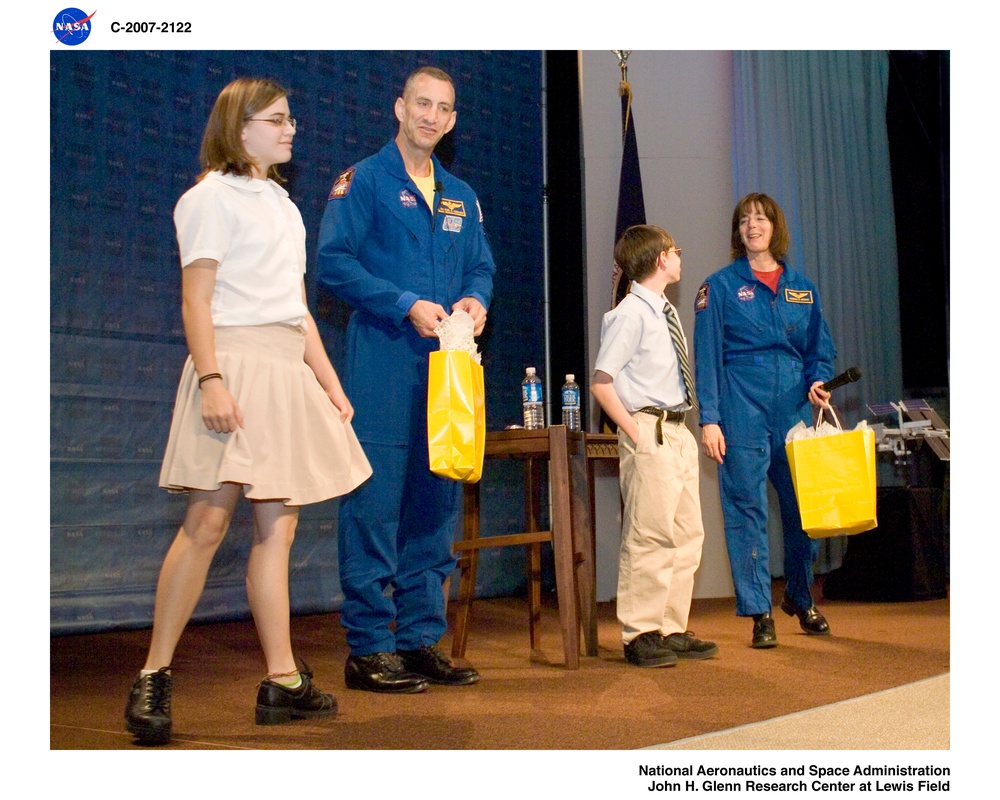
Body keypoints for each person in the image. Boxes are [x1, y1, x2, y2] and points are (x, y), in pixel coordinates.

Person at [124, 78, 372, 745]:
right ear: (240, 129)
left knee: (277, 534)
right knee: (206, 523)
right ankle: (153, 675)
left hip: (284, 368)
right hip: (232, 365)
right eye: (277, 120)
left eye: (291, 119)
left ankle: (283, 681)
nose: (291, 130)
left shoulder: (284, 205)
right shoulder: (207, 199)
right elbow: (195, 301)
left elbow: (296, 309)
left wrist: (328, 382)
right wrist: (211, 380)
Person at [316, 66, 495, 693]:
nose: (430, 116)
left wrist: (476, 300)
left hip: (448, 373)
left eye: (443, 108)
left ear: (452, 121)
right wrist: (403, 303)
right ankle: (369, 646)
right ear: (400, 107)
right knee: (373, 507)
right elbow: (332, 263)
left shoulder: (461, 195)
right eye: (422, 103)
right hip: (384, 368)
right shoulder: (363, 180)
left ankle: (419, 640)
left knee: (435, 505)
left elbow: (482, 266)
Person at [694, 192, 836, 649]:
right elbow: (707, 359)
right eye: (744, 220)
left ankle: (800, 595)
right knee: (747, 510)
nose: (751, 225)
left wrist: (818, 379)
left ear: (775, 227)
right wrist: (710, 419)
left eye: (760, 218)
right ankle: (760, 612)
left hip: (793, 409)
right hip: (742, 407)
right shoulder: (718, 287)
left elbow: (819, 349)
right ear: (737, 232)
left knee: (806, 510)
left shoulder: (802, 288)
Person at [591, 225, 718, 668]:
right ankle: (640, 632)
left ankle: (670, 626)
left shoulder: (665, 310)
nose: (680, 256)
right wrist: (635, 430)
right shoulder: (630, 313)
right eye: (675, 250)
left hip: (677, 429)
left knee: (686, 533)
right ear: (662, 258)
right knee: (649, 533)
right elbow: (602, 382)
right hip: (650, 428)